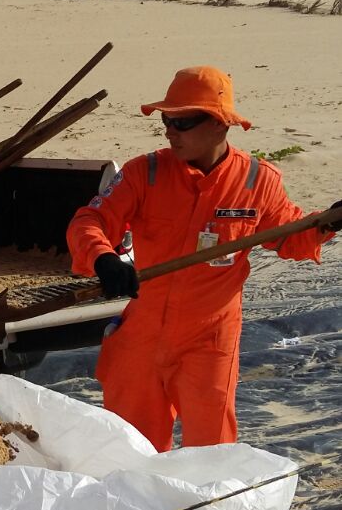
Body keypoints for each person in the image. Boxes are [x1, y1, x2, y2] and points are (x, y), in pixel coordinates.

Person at [67, 66, 338, 452]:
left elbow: (291, 236)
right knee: (129, 453)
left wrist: (327, 224)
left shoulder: (257, 180)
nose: (169, 131)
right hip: (141, 337)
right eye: (166, 120)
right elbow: (89, 221)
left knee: (211, 453)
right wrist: (103, 258)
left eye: (183, 122)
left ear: (219, 125)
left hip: (209, 342)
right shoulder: (146, 172)